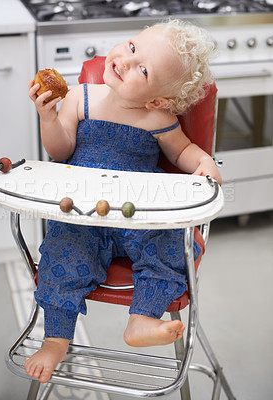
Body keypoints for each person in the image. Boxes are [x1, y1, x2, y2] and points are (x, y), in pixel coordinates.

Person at [25, 18, 222, 383]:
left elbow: (183, 153)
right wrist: (47, 117)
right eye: (132, 47)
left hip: (137, 212)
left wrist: (204, 163)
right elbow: (61, 150)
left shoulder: (157, 117)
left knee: (170, 245)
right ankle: (55, 339)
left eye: (142, 69)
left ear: (157, 99)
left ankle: (142, 318)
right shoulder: (80, 97)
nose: (125, 61)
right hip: (83, 211)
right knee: (62, 255)